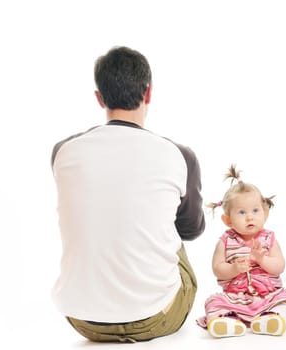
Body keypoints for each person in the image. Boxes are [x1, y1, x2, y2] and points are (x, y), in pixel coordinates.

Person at [50, 46, 205, 342]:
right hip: (157, 317)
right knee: (167, 228)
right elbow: (191, 230)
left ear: (99, 98)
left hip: (82, 320)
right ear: (148, 94)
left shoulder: (62, 151)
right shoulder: (179, 155)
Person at [197, 165, 286, 338]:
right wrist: (234, 269)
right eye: (242, 212)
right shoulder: (225, 241)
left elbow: (279, 266)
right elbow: (217, 268)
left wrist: (263, 260)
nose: (250, 216)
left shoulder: (269, 238)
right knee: (213, 303)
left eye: (255, 210)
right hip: (235, 298)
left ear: (265, 214)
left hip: (268, 296)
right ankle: (227, 323)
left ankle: (272, 319)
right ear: (227, 220)